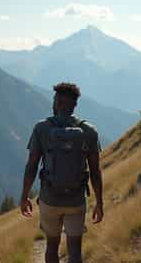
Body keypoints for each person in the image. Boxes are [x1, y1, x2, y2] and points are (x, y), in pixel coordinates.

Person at [20, 83, 104, 263]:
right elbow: (95, 171)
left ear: (58, 102)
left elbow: (32, 165)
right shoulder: (89, 131)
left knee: (52, 246)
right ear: (74, 104)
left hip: (49, 198)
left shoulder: (42, 128)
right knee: (74, 251)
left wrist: (24, 196)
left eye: (55, 100)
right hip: (76, 199)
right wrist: (99, 202)